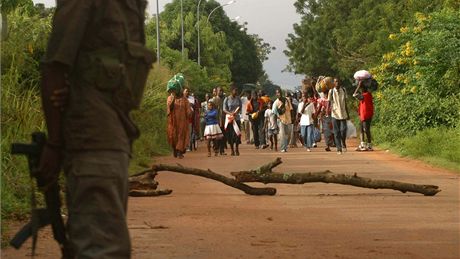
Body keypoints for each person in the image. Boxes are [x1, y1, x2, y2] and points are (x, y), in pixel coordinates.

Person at [38, 0, 154, 257]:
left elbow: (61, 68)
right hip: (100, 141)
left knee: (99, 245)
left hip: (106, 141)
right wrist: (55, 144)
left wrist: (55, 143)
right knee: (102, 246)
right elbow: (56, 69)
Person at [167, 87, 193, 159]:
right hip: (173, 122)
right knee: (173, 136)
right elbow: (170, 107)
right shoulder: (170, 98)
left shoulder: (184, 99)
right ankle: (175, 149)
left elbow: (188, 110)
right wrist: (173, 98)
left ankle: (179, 152)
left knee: (181, 136)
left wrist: (190, 113)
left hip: (182, 122)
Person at [328, 78, 349, 154]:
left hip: (343, 113)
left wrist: (348, 113)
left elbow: (345, 102)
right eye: (336, 81)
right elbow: (329, 102)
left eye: (338, 81)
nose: (337, 83)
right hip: (335, 113)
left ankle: (343, 142)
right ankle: (339, 148)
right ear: (334, 83)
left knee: (343, 130)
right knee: (336, 132)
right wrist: (328, 111)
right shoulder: (331, 91)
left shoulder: (343, 90)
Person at [353, 81, 374, 151]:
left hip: (365, 115)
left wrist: (358, 86)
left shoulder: (364, 96)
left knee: (365, 129)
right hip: (367, 114)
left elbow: (354, 94)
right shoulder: (369, 95)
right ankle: (365, 145)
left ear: (362, 89)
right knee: (364, 129)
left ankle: (367, 145)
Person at [223, 86, 242, 156]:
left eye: (237, 91)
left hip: (236, 119)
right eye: (235, 90)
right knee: (230, 135)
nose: (236, 92)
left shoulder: (238, 99)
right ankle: (231, 149)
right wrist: (230, 113)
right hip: (229, 119)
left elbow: (240, 107)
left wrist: (236, 112)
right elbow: (224, 109)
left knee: (237, 134)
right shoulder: (227, 99)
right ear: (231, 91)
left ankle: (236, 148)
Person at [273, 88, 293, 153]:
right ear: (276, 94)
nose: (278, 94)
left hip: (288, 119)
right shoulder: (275, 103)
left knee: (289, 134)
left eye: (279, 92)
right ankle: (283, 147)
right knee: (282, 134)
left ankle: (285, 145)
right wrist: (275, 123)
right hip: (280, 120)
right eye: (277, 93)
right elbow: (274, 113)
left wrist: (293, 118)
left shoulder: (287, 100)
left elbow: (291, 109)